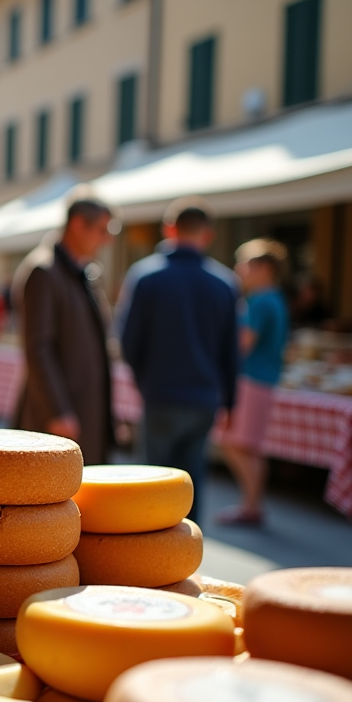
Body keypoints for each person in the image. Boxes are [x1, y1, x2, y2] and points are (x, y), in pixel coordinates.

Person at [117, 199, 240, 522]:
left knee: (153, 481)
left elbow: (128, 341)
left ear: (169, 228)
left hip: (161, 393)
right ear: (208, 235)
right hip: (203, 397)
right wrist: (230, 401)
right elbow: (231, 350)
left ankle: (150, 561)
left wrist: (146, 381)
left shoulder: (146, 276)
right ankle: (188, 555)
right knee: (190, 483)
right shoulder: (224, 283)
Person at [12, 193, 116, 464]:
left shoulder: (81, 271)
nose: (107, 239)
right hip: (61, 414)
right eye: (102, 230)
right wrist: (57, 410)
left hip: (83, 410)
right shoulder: (44, 271)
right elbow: (37, 347)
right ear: (78, 225)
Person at [217, 239, 291, 526]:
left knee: (235, 444)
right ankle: (252, 504)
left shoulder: (260, 300)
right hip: (263, 379)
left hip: (251, 380)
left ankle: (250, 506)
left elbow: (243, 344)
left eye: (245, 263)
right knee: (249, 446)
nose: (240, 269)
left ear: (264, 268)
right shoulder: (273, 298)